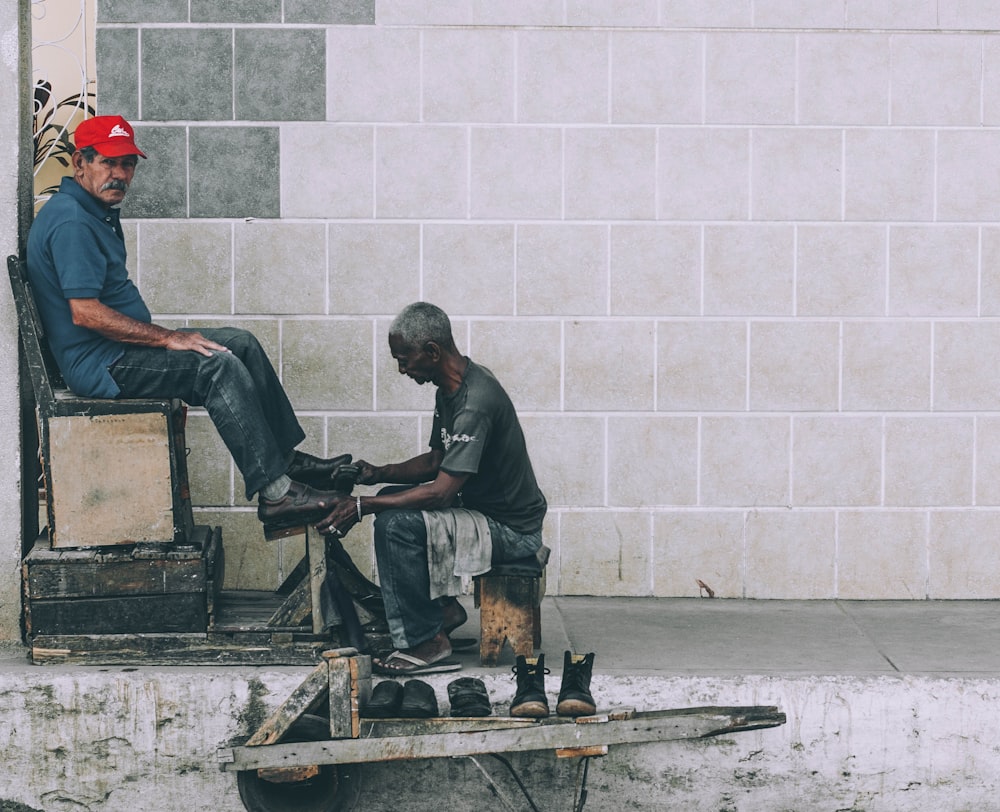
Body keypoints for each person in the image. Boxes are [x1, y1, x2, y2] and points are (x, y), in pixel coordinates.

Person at [25, 114, 347, 540]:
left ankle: (285, 464)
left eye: (128, 164)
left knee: (240, 344)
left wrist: (166, 338)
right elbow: (87, 313)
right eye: (109, 163)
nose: (120, 174)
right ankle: (276, 495)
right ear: (78, 163)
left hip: (116, 351)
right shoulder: (72, 222)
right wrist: (168, 338)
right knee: (216, 365)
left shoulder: (92, 209)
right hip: (101, 364)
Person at [316, 302, 547, 675]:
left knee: (394, 525)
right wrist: (377, 473)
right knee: (393, 500)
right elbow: (438, 461)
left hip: (513, 531)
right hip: (482, 514)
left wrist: (363, 506)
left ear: (433, 352)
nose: (401, 368)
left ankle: (428, 642)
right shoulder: (451, 389)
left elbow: (440, 492)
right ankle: (443, 611)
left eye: (404, 358)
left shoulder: (475, 401)